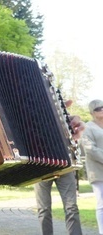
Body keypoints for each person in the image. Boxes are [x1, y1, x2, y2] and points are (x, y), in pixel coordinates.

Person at [34, 100, 85, 235]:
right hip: (40, 166)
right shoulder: (31, 117)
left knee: (71, 207)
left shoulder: (59, 110)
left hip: (64, 165)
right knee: (43, 209)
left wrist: (74, 124)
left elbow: (73, 126)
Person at [81, 99, 103, 235]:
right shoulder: (87, 127)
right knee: (102, 204)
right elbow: (90, 149)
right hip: (97, 170)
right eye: (98, 108)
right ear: (91, 112)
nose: (101, 110)